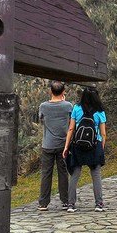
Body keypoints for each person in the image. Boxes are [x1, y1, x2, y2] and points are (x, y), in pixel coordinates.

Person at [62, 86, 107, 212]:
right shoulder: (100, 111)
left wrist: (66, 146)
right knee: (96, 175)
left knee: (74, 175)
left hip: (78, 146)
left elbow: (71, 129)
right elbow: (103, 133)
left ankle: (71, 204)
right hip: (95, 145)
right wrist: (101, 147)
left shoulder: (77, 108)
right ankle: (99, 204)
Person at [37, 80, 73, 211]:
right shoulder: (68, 106)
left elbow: (41, 119)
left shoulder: (43, 106)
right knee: (63, 173)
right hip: (63, 144)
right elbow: (72, 121)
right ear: (63, 92)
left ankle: (43, 203)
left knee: (46, 173)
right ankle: (65, 200)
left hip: (47, 144)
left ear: (50, 91)